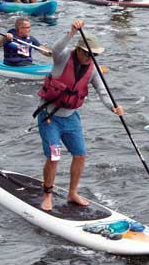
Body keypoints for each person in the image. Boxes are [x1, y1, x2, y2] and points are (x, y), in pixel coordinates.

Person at [33, 19, 123, 211]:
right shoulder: (63, 57)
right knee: (54, 157)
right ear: (79, 50)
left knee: (80, 155)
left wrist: (113, 107)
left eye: (94, 55)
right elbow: (56, 49)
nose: (90, 57)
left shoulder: (92, 70)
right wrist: (71, 32)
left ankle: (72, 192)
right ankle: (47, 194)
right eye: (88, 53)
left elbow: (102, 91)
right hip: (50, 117)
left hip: (71, 118)